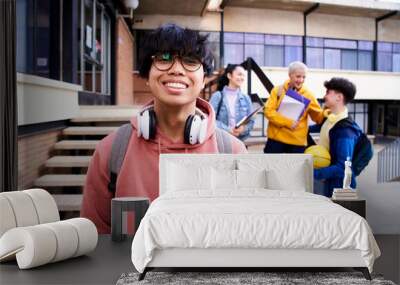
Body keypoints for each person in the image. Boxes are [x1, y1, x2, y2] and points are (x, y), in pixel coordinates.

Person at [80, 24, 247, 233]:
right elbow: (96, 237)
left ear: (204, 80)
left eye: (190, 61)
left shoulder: (232, 151)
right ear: (147, 75)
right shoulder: (111, 150)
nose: (177, 69)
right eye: (164, 58)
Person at [313, 77, 362, 197]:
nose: (325, 96)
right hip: (329, 183)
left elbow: (342, 167)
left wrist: (312, 173)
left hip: (340, 190)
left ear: (339, 97)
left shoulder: (345, 129)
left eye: (328, 92)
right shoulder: (330, 120)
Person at [263, 61, 325, 153]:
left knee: (295, 168)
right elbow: (268, 111)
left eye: (304, 77)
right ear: (290, 75)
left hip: (297, 143)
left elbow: (318, 118)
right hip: (275, 140)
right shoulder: (277, 90)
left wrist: (326, 110)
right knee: (270, 167)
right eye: (298, 76)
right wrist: (288, 122)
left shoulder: (309, 95)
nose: (301, 80)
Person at [209, 64, 255, 141]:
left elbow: (251, 121)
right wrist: (228, 130)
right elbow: (210, 119)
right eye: (239, 74)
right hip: (221, 140)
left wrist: (243, 129)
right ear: (229, 76)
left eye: (243, 75)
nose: (242, 78)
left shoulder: (246, 98)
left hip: (240, 141)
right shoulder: (217, 96)